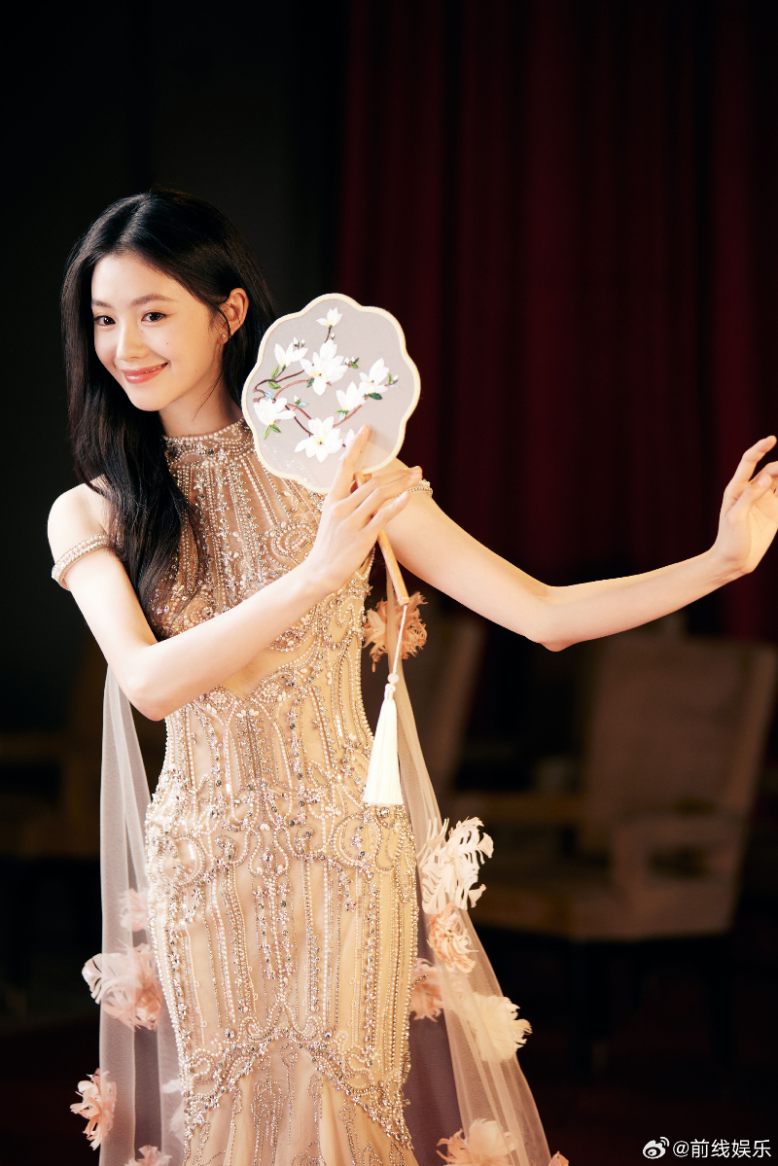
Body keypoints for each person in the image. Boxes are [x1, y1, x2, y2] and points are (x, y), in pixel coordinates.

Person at [48, 189, 778, 1166]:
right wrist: (317, 574)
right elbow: (149, 682)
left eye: (152, 313)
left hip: (347, 854)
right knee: (232, 1123)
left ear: (228, 315)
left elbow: (543, 614)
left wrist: (720, 564)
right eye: (103, 319)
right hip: (205, 860)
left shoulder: (341, 469)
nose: (124, 345)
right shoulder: (92, 511)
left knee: (341, 1114)